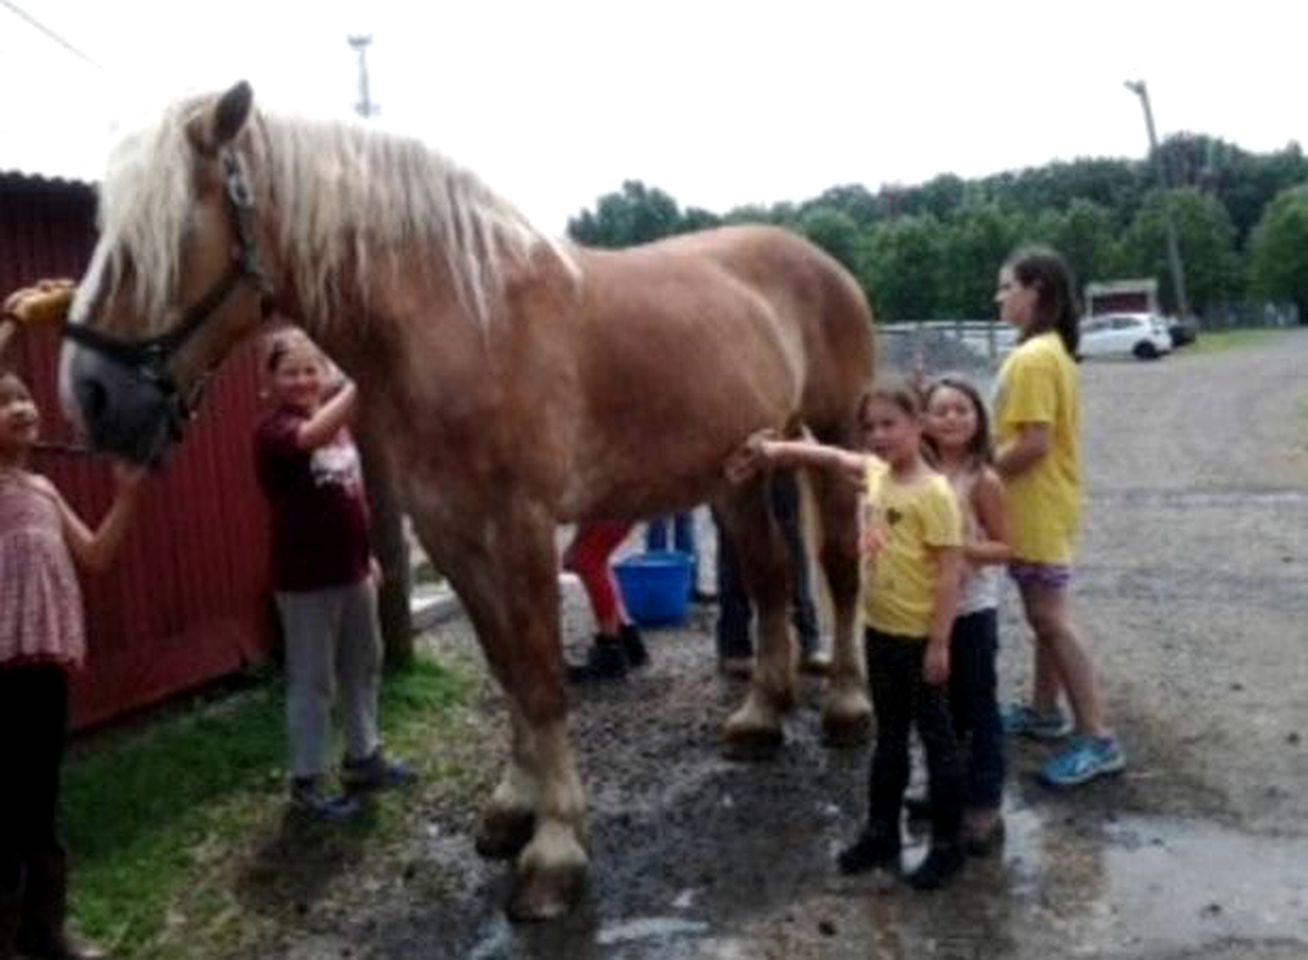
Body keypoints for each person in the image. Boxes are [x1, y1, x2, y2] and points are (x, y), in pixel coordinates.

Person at [726, 381, 967, 890]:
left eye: (890, 424)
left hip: (920, 638)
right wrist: (775, 450)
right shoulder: (879, 475)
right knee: (890, 739)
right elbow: (834, 459)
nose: (878, 435)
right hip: (879, 632)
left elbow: (950, 573)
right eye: (871, 426)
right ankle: (882, 832)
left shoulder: (936, 494)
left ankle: (948, 844)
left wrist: (941, 642)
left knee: (937, 738)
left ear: (918, 427)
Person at [1, 288, 144, 960]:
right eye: (1, 402)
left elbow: (97, 556)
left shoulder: (42, 488)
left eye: (23, 396)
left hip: (46, 667)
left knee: (40, 803)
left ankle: (46, 932)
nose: (19, 408)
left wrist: (127, 499)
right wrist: (9, 325)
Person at [254, 329, 413, 822]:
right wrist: (363, 379)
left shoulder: (337, 425)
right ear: (270, 382)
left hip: (352, 572)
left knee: (365, 664)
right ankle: (307, 781)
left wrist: (367, 556)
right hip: (305, 580)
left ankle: (363, 757)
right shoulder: (275, 431)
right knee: (313, 681)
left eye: (311, 370)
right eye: (290, 372)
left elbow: (352, 494)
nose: (302, 380)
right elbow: (311, 436)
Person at [993, 247, 1125, 787]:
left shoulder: (1033, 359)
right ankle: (1045, 712)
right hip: (1045, 503)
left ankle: (1098, 738)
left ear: (1036, 290)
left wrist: (977, 473)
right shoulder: (1048, 352)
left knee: (1050, 618)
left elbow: (1034, 444)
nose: (998, 297)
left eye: (1006, 287)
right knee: (1042, 615)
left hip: (1036, 505)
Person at [918, 375, 1012, 853]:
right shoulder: (918, 474)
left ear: (978, 420)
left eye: (962, 409)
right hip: (927, 609)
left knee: (978, 703)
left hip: (972, 609)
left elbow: (1005, 546)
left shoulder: (984, 479)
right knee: (938, 705)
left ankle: (985, 800)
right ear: (924, 422)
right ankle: (945, 787)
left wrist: (963, 550)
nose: (952, 418)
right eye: (941, 410)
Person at [713, 470, 825, 679]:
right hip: (725, 461)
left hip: (777, 457)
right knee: (732, 539)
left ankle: (806, 639)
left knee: (790, 535)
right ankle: (735, 645)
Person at [562, 521, 648, 683]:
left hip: (615, 505)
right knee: (594, 558)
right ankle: (627, 639)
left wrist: (577, 543)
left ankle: (610, 651)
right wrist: (577, 542)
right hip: (610, 506)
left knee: (589, 560)